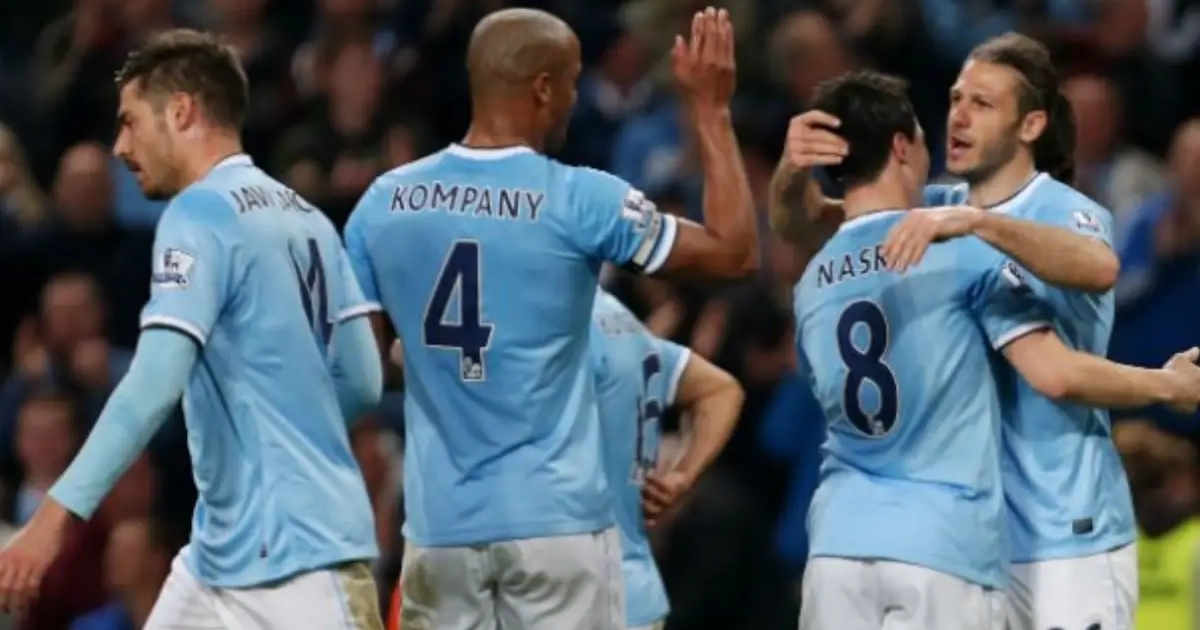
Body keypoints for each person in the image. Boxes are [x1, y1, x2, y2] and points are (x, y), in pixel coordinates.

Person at [345, 7, 757, 630]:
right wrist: (710, 110)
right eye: (571, 82)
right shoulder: (579, 198)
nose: (574, 98)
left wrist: (435, 363)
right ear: (542, 88)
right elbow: (734, 253)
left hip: (439, 530)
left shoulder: (383, 203)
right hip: (555, 527)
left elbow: (363, 371)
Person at [0, 29, 386, 629]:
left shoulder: (197, 213)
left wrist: (53, 518)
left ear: (181, 111)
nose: (120, 146)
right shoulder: (309, 219)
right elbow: (363, 380)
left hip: (299, 564)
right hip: (224, 553)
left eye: (130, 122)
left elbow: (154, 381)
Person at [792, 70, 1200, 630]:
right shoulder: (958, 254)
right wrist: (1168, 383)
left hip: (835, 547)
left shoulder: (812, 280)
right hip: (940, 543)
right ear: (901, 147)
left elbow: (798, 222)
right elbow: (1055, 371)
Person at [590, 289, 743, 630]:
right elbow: (720, 389)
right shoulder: (622, 323)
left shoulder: (556, 327)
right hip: (634, 590)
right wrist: (682, 475)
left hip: (571, 586)